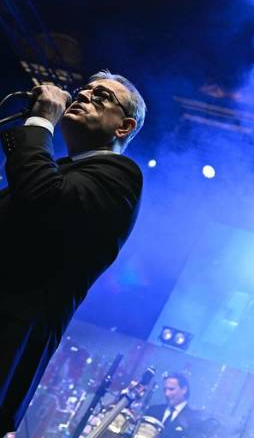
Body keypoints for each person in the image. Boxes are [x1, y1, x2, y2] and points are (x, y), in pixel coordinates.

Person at [0, 72, 145, 434]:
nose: (83, 96)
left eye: (101, 96)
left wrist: (39, 121)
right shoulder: (67, 171)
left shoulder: (119, 176)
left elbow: (40, 197)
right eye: (83, 90)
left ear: (123, 127)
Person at [144, 373, 202, 438]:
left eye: (171, 389)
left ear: (184, 390)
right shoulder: (153, 410)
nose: (167, 394)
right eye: (165, 390)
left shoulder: (193, 421)